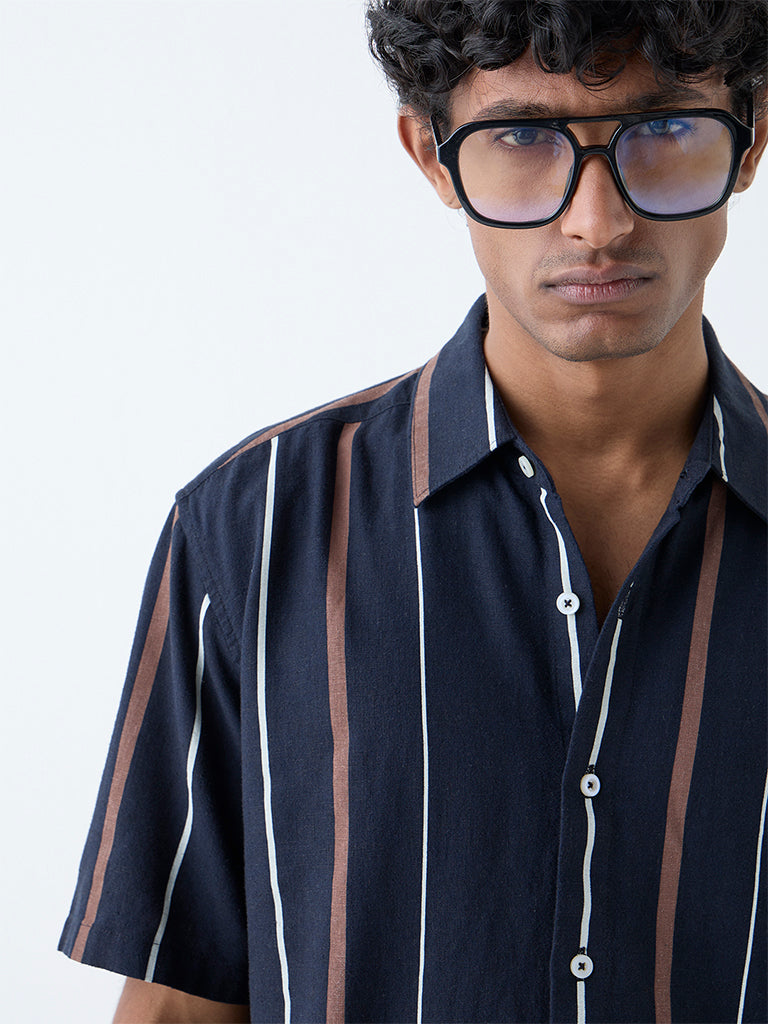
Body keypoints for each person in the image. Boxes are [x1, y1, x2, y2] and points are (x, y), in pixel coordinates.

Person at [60, 2, 768, 1021]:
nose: (598, 220)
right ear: (433, 155)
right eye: (521, 137)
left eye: (661, 127)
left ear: (751, 136)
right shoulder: (251, 531)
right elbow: (179, 1002)